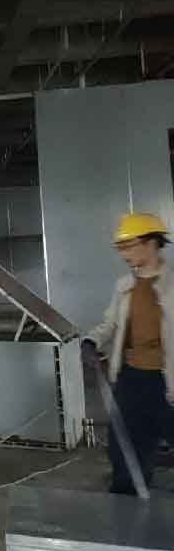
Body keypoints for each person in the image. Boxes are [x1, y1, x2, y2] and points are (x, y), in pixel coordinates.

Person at [82, 212, 174, 495]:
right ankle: (127, 501)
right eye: (120, 248)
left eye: (128, 246)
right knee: (125, 449)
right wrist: (92, 340)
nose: (123, 254)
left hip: (167, 381)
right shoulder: (125, 286)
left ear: (151, 243)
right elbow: (110, 324)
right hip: (132, 378)